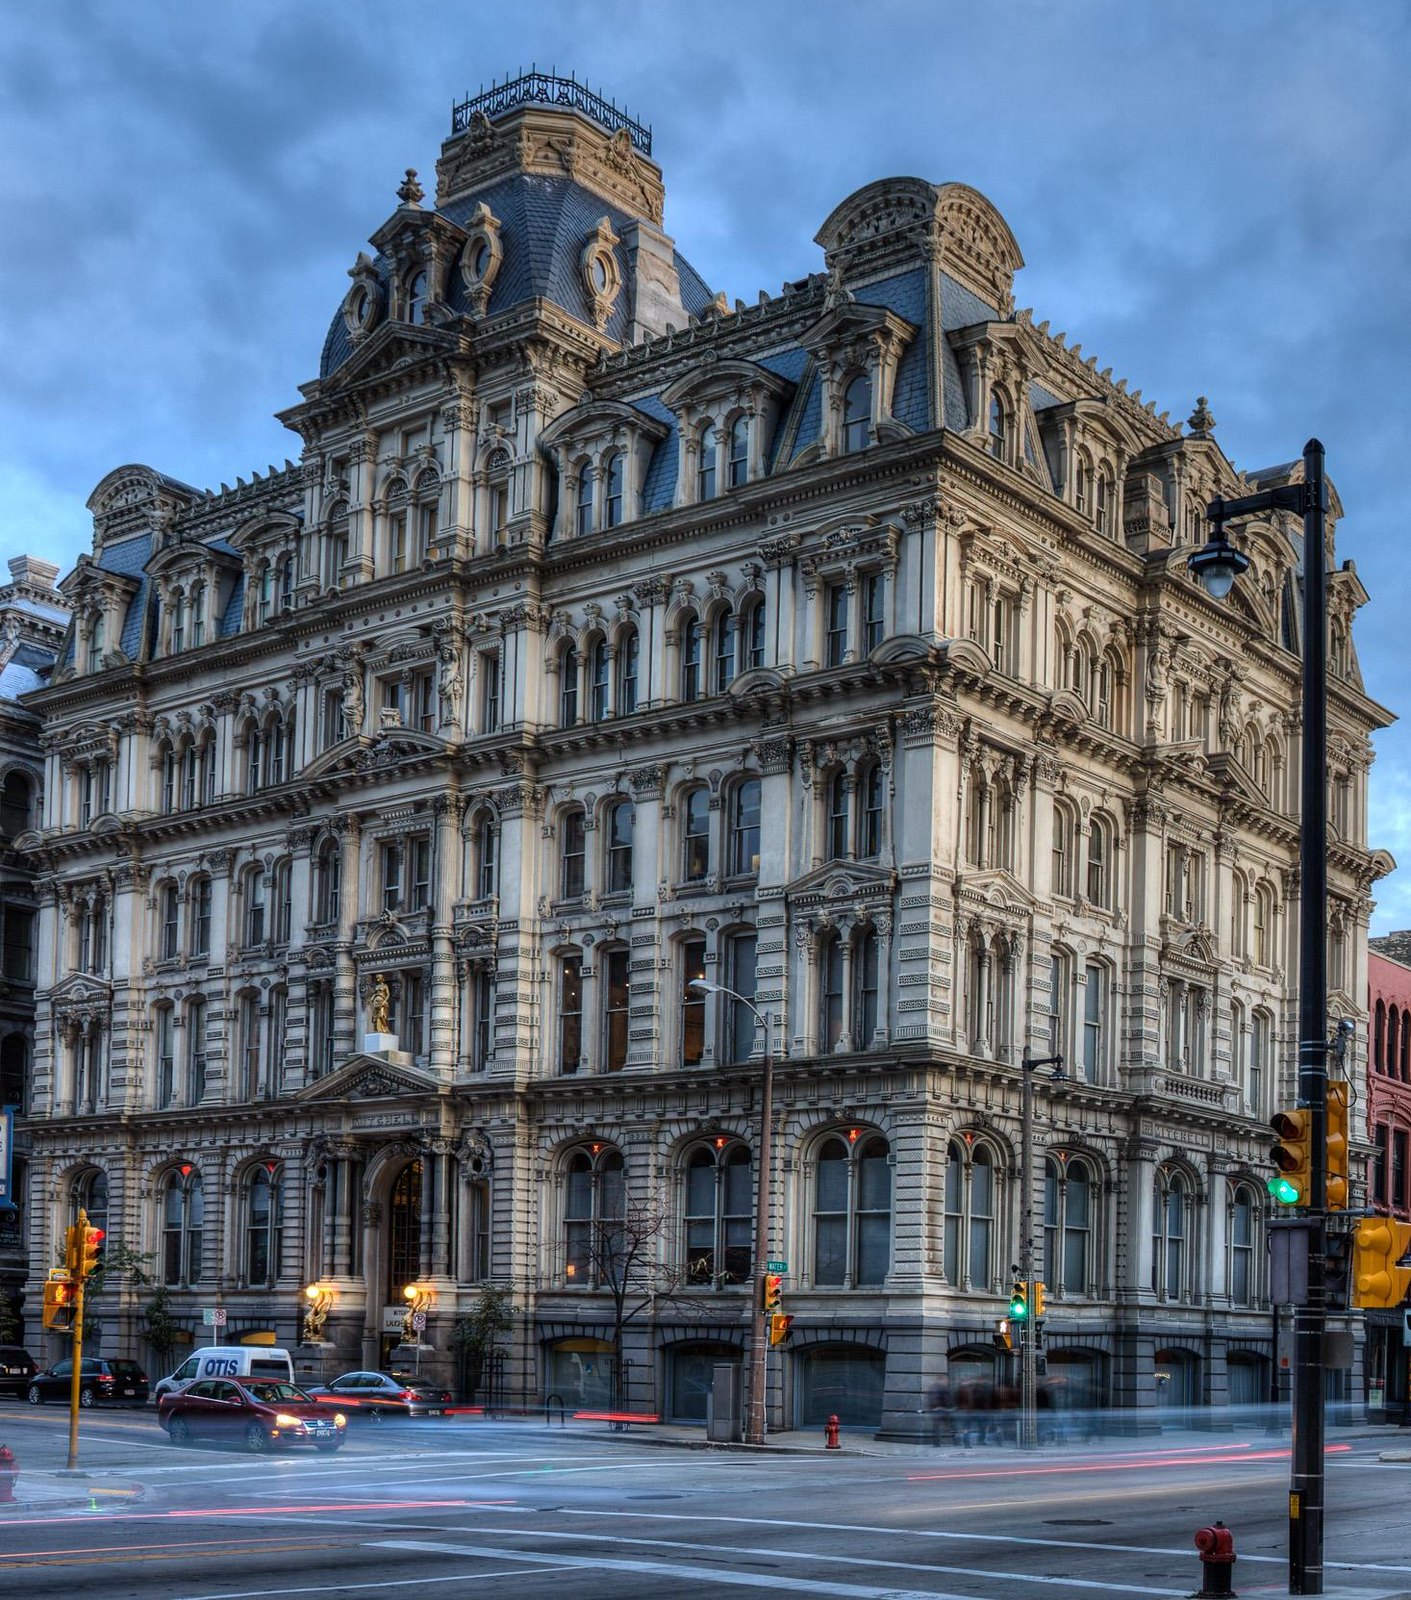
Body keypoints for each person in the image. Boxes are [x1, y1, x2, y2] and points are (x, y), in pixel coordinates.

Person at [924, 1377, 954, 1446]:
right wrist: (940, 1407)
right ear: (941, 1380)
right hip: (940, 1410)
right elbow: (943, 1399)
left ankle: (937, 1442)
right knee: (945, 1424)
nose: (946, 1382)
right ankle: (948, 1440)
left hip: (937, 1409)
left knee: (936, 1426)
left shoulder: (934, 1387)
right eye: (945, 1380)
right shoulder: (941, 1388)